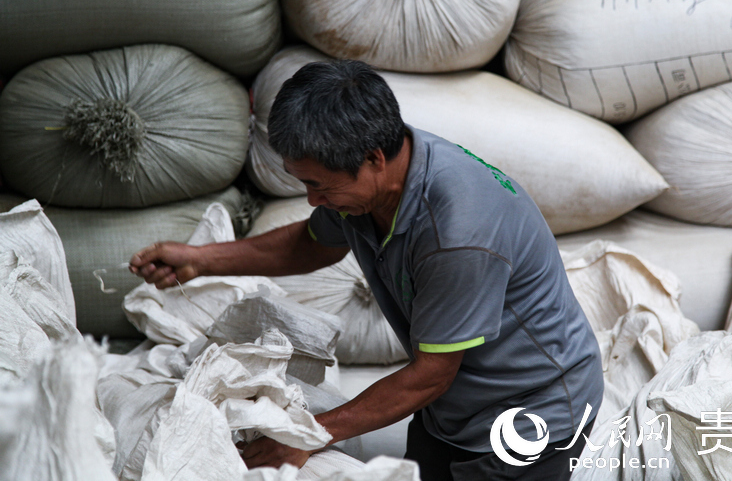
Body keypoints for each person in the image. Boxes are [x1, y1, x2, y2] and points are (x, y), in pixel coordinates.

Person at [129, 59, 604, 480]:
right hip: (453, 406)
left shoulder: (455, 233)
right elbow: (314, 243)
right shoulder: (371, 181)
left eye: (319, 186)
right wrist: (202, 260)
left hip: (530, 413)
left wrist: (305, 434)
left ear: (374, 159)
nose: (313, 201)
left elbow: (430, 375)